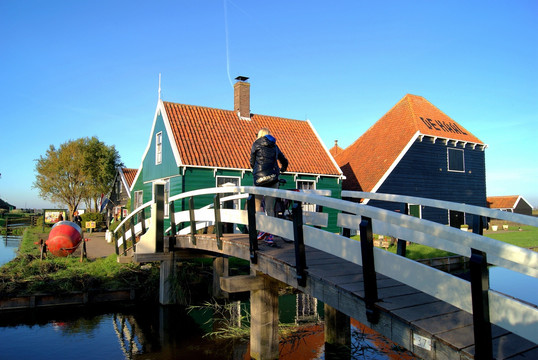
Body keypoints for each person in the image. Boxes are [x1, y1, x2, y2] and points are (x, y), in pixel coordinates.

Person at [250, 128, 288, 246]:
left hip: (259, 179)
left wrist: (255, 170)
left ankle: (262, 230)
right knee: (270, 208)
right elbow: (284, 160)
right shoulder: (274, 146)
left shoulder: (256, 144)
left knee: (257, 206)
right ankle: (270, 236)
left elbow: (252, 160)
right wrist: (282, 169)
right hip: (273, 178)